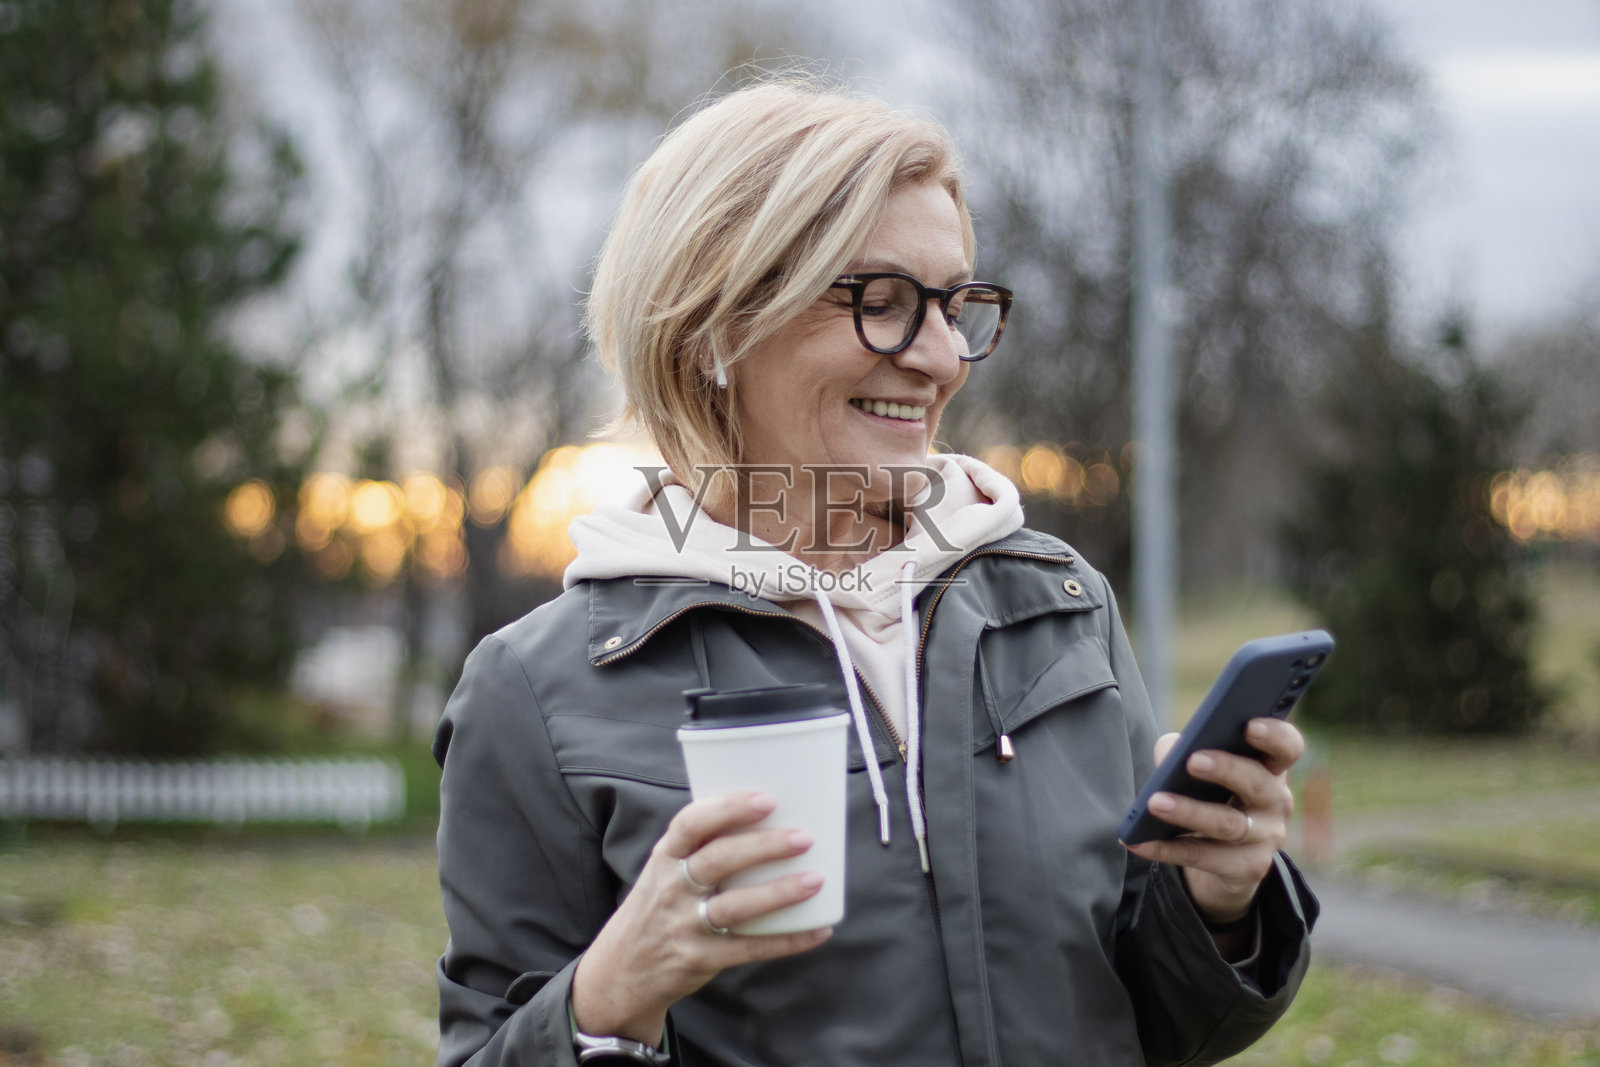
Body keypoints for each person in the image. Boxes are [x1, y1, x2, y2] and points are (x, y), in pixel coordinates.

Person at [433, 79, 1318, 1067]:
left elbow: (1154, 1026)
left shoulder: (1058, 606)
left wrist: (1220, 899)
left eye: (956, 305)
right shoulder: (541, 691)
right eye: (884, 303)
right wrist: (611, 994)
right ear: (716, 322)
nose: (941, 357)